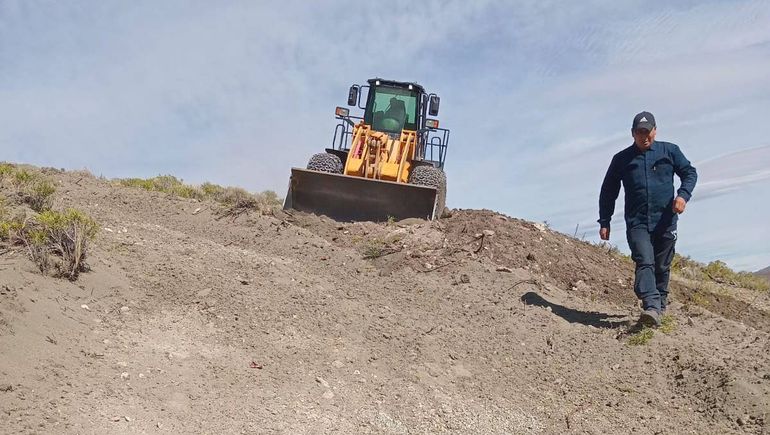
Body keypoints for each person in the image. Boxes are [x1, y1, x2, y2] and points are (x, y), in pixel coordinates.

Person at [598, 111, 697, 327]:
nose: (644, 137)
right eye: (639, 132)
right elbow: (608, 191)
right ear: (632, 134)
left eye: (648, 132)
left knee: (662, 265)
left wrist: (683, 195)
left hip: (666, 220)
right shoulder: (622, 159)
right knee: (644, 261)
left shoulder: (669, 151)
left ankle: (659, 308)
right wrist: (604, 221)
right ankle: (651, 305)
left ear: (655, 130)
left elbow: (690, 173)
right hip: (637, 222)